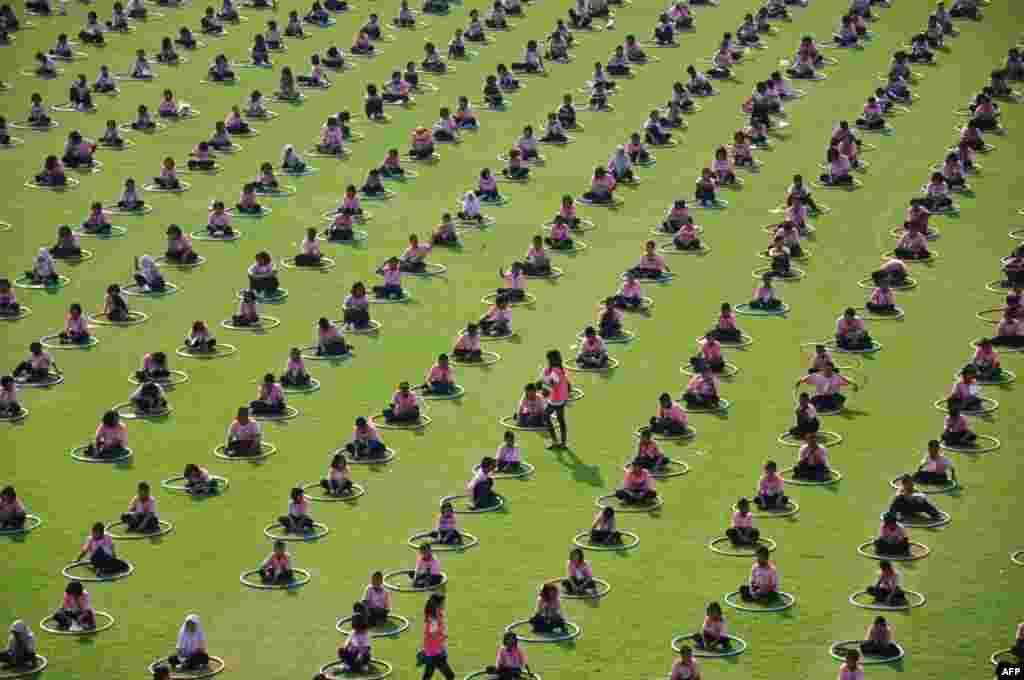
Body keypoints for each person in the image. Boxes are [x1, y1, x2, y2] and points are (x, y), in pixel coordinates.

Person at [542, 350, 569, 449]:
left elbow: (551, 384)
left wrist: (544, 390)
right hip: (559, 398)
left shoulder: (555, 371)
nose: (548, 360)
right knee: (560, 419)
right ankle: (563, 442)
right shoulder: (554, 369)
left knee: (546, 416)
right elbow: (547, 382)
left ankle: (555, 441)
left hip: (556, 399)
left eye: (549, 359)